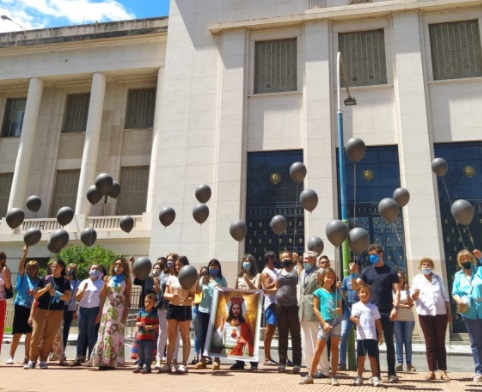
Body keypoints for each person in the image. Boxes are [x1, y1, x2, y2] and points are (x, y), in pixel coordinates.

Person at [353, 244, 400, 382]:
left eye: (374, 254)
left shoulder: (391, 271)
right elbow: (357, 286)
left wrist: (396, 308)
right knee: (374, 344)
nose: (372, 257)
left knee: (390, 343)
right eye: (370, 255)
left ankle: (391, 373)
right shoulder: (367, 271)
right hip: (371, 313)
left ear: (381, 254)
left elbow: (397, 291)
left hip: (387, 312)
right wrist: (354, 274)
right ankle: (376, 374)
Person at [24, 258, 71, 369]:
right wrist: (45, 289)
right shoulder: (44, 279)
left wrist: (56, 293)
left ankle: (43, 360)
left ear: (62, 268)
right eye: (52, 266)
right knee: (35, 335)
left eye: (57, 266)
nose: (54, 268)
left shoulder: (65, 281)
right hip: (41, 310)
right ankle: (32, 359)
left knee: (49, 336)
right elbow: (36, 295)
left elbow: (67, 297)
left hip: (56, 312)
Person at [299, 267, 342, 386]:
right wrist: (323, 323)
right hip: (325, 322)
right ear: (323, 278)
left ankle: (333, 375)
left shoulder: (336, 292)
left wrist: (339, 310)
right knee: (318, 349)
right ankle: (310, 375)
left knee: (334, 348)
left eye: (332, 278)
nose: (330, 280)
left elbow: (340, 309)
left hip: (336, 322)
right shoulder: (318, 292)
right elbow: (316, 309)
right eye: (328, 277)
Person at [411, 257, 451, 381]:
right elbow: (413, 297)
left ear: (432, 266)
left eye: (428, 265)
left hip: (440, 314)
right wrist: (415, 295)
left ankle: (443, 371)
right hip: (425, 314)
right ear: (420, 267)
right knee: (430, 343)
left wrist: (449, 313)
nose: (426, 267)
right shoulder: (417, 279)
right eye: (424, 264)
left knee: (440, 342)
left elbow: (445, 296)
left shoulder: (438, 278)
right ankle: (431, 371)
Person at [91, 257, 131, 370]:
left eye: (120, 265)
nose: (118, 267)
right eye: (116, 265)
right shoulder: (108, 279)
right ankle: (103, 360)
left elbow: (127, 297)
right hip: (107, 309)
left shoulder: (126, 280)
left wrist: (126, 311)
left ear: (124, 267)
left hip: (119, 310)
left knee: (115, 334)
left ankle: (112, 361)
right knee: (106, 334)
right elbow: (102, 295)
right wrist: (105, 285)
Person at [161, 255, 195, 374]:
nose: (177, 267)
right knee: (171, 336)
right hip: (172, 308)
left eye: (179, 265)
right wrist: (172, 297)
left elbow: (192, 295)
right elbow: (165, 294)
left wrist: (188, 299)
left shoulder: (190, 278)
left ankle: (184, 363)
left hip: (184, 308)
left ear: (185, 265)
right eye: (176, 265)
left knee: (185, 336)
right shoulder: (171, 278)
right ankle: (168, 364)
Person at [298, 251, 330, 378]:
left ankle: (323, 370)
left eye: (307, 259)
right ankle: (310, 368)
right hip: (303, 311)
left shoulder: (320, 272)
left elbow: (327, 288)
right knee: (306, 342)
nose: (305, 261)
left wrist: (320, 281)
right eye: (304, 259)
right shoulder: (301, 273)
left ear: (313, 259)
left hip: (315, 311)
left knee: (318, 341)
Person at [452, 249, 482, 383]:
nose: (466, 261)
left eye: (468, 258)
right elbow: (455, 292)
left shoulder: (479, 271)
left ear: (472, 259)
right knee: (476, 342)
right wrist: (459, 300)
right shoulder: (458, 275)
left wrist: (481, 258)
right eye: (463, 259)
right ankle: (479, 370)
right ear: (460, 262)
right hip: (469, 312)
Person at [195, 258, 227, 371]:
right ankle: (203, 359)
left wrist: (221, 288)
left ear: (219, 268)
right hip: (204, 310)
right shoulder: (204, 279)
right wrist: (198, 277)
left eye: (215, 266)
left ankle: (217, 359)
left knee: (216, 336)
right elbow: (197, 291)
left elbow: (226, 294)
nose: (213, 268)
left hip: (217, 311)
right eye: (211, 266)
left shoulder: (222, 279)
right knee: (204, 335)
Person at [70, 264, 106, 367]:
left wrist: (99, 314)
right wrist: (83, 289)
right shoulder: (84, 282)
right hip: (83, 310)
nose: (94, 270)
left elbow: (102, 299)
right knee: (81, 334)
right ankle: (78, 356)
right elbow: (77, 297)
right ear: (89, 270)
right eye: (92, 268)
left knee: (91, 334)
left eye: (96, 269)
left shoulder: (102, 283)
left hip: (94, 310)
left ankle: (91, 357)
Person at [7, 246, 38, 365]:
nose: (31, 270)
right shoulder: (23, 276)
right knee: (17, 333)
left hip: (32, 308)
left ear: (36, 269)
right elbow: (20, 267)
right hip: (20, 306)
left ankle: (27, 356)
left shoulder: (38, 281)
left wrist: (34, 292)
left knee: (29, 334)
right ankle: (11, 356)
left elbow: (38, 294)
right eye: (29, 268)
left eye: (33, 268)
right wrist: (25, 254)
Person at [230, 254, 260, 371]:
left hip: (251, 308)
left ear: (252, 263)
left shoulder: (257, 275)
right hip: (240, 309)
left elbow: (257, 290)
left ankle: (254, 362)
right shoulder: (239, 277)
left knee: (251, 334)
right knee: (239, 333)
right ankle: (239, 361)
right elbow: (235, 291)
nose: (246, 263)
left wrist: (248, 281)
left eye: (248, 261)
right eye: (244, 261)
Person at [350, 285, 383, 387]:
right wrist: (354, 319)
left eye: (367, 293)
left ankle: (375, 376)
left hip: (371, 336)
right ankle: (359, 376)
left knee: (373, 357)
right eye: (362, 292)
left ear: (370, 295)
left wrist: (380, 334)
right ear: (358, 294)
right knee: (361, 357)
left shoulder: (373, 307)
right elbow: (353, 317)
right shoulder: (355, 306)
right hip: (361, 337)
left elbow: (377, 321)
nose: (364, 294)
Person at [275, 250, 302, 374]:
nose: (286, 258)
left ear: (291, 258)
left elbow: (301, 275)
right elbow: (276, 286)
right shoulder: (279, 272)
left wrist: (298, 261)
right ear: (281, 260)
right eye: (283, 257)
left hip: (293, 306)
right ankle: (282, 362)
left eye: (288, 256)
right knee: (282, 335)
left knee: (295, 335)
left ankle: (297, 363)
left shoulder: (296, 269)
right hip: (280, 306)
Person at [338, 261, 360, 371]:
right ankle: (342, 362)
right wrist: (338, 288)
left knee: (362, 336)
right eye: (350, 264)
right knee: (343, 334)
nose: (352, 266)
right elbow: (341, 295)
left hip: (360, 310)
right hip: (348, 309)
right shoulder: (346, 279)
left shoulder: (361, 277)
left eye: (354, 264)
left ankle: (360, 363)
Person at [394, 270, 416, 372]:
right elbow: (393, 303)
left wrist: (407, 293)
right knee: (398, 341)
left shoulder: (408, 290)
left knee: (408, 341)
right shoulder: (392, 291)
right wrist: (404, 305)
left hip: (408, 319)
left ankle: (409, 364)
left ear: (404, 279)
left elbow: (411, 304)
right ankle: (400, 363)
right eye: (397, 277)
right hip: (396, 319)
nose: (399, 279)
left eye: (400, 277)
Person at [260, 250, 279, 366]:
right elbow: (266, 288)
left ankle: (283, 357)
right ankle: (267, 357)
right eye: (274, 258)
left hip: (280, 302)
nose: (276, 260)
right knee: (270, 329)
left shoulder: (276, 271)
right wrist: (277, 281)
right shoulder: (265, 273)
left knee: (282, 330)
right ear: (270, 260)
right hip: (270, 303)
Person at [133, 293, 159, 374]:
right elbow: (137, 322)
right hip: (141, 336)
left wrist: (150, 327)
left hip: (149, 337)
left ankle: (147, 367)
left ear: (154, 304)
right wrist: (140, 324)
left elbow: (157, 324)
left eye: (149, 302)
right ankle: (140, 365)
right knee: (140, 353)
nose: (147, 304)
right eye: (146, 302)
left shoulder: (154, 314)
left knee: (148, 353)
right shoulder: (141, 312)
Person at [63, 263, 80, 361]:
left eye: (73, 269)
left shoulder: (77, 282)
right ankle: (53, 351)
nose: (71, 270)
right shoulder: (63, 280)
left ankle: (63, 351)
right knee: (58, 330)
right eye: (70, 268)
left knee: (65, 331)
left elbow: (79, 296)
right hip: (61, 307)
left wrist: (76, 309)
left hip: (71, 308)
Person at [191, 265, 208, 365]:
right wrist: (197, 277)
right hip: (197, 308)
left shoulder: (209, 283)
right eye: (202, 273)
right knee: (198, 334)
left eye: (205, 273)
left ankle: (205, 356)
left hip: (206, 309)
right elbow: (194, 291)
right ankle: (196, 355)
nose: (203, 275)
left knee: (205, 333)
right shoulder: (197, 282)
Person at [0, 250, 12, 356]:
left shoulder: (5, 270)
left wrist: (5, 275)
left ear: (2, 260)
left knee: (0, 328)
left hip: (1, 301)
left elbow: (8, 286)